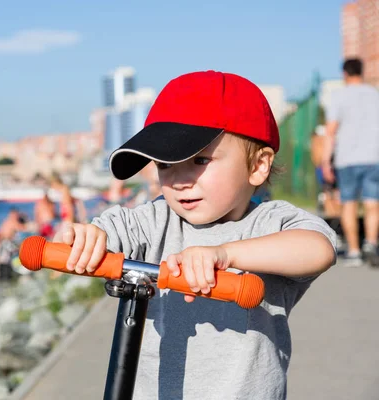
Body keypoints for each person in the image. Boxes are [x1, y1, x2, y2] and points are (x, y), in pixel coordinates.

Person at [54, 71, 336, 400]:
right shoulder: (154, 219)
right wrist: (82, 237)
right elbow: (106, 230)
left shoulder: (267, 223)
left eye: (200, 160)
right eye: (165, 164)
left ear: (258, 165)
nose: (179, 181)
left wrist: (226, 254)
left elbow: (318, 249)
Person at [322, 58, 379, 267]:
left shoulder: (339, 96)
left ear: (344, 74)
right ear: (362, 72)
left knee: (349, 204)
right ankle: (371, 244)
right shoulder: (374, 94)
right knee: (373, 203)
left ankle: (354, 251)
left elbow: (331, 131)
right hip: (374, 156)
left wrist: (325, 160)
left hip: (347, 158)